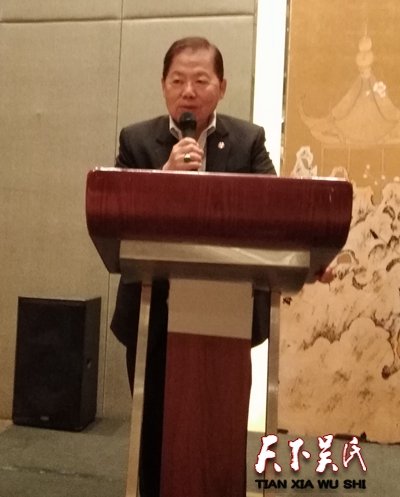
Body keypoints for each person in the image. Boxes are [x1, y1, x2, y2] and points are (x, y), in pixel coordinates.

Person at [111, 36, 276, 497]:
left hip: (225, 314)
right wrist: (163, 179)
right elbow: (117, 215)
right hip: (152, 309)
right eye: (178, 80)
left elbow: (274, 208)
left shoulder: (248, 140)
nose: (188, 91)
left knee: (217, 430)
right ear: (163, 85)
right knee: (154, 433)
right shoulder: (136, 140)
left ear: (222, 86)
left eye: (201, 80)